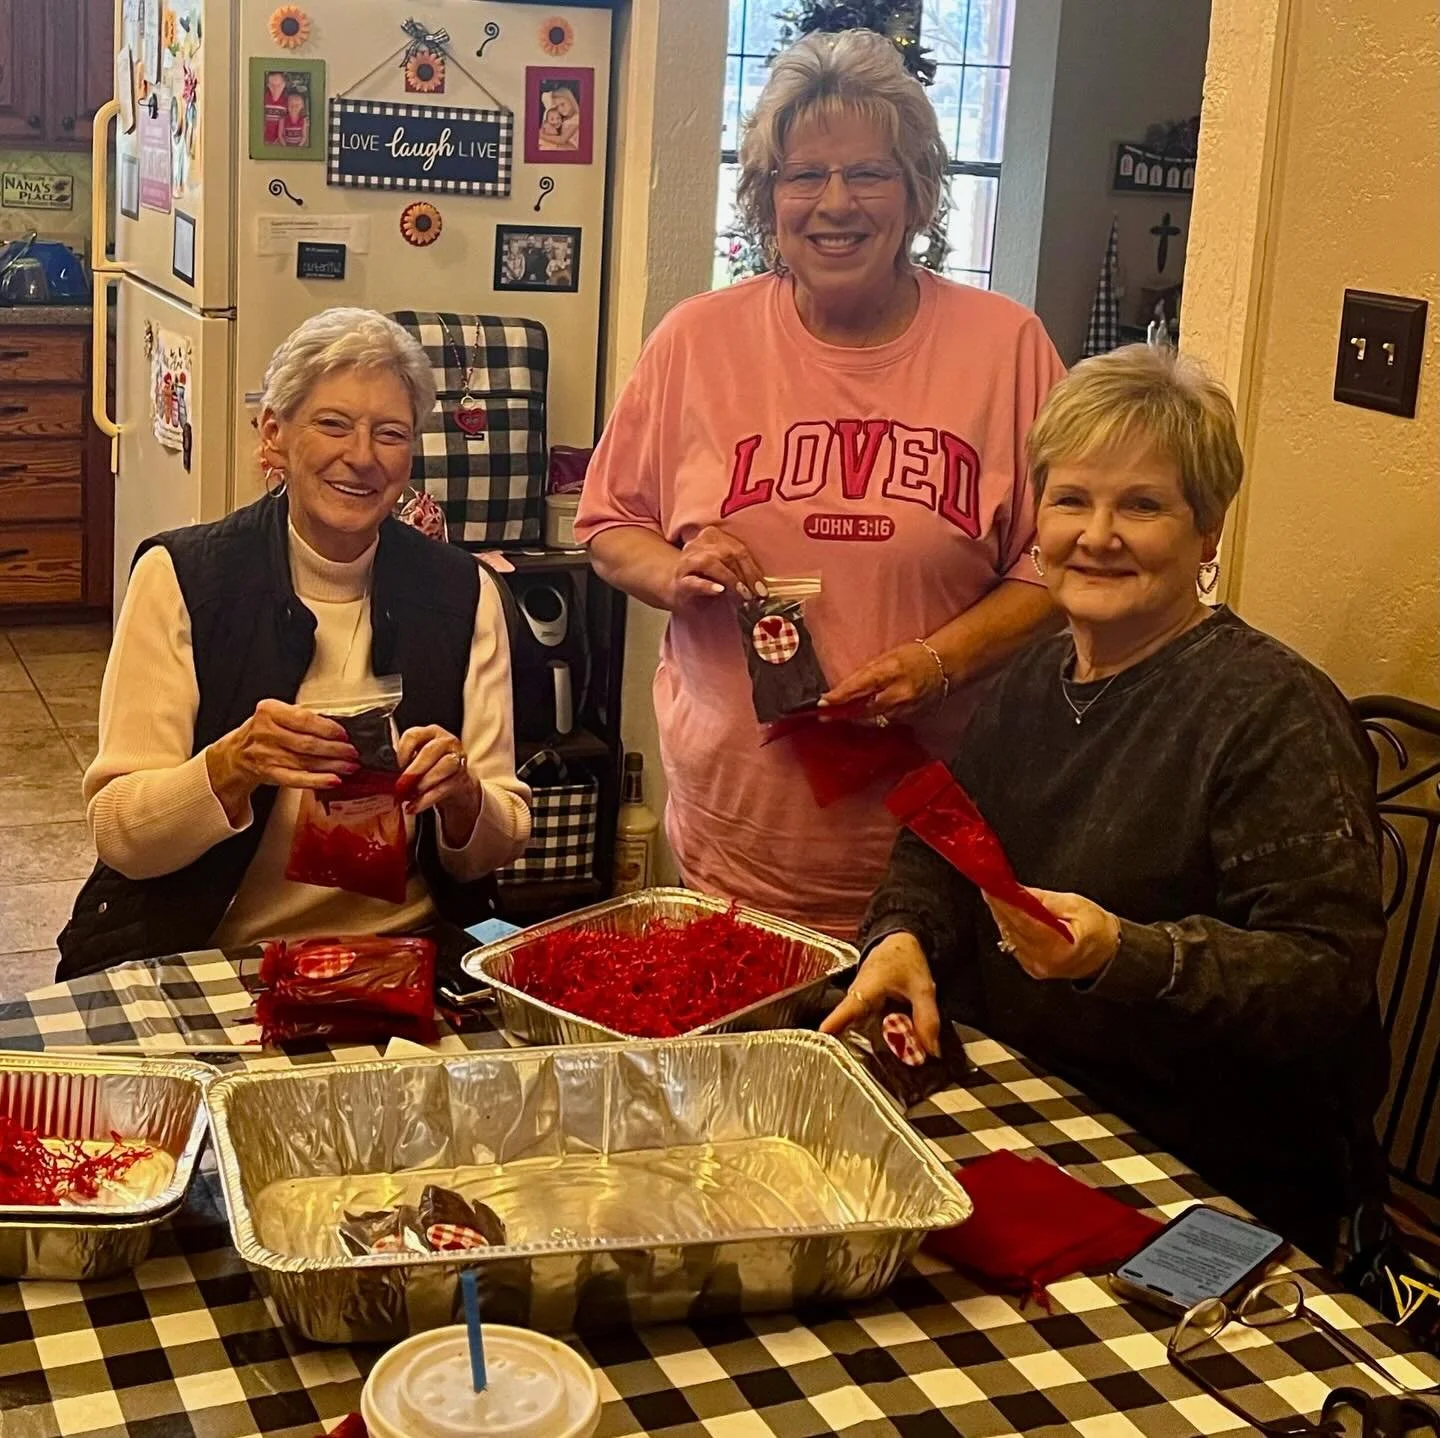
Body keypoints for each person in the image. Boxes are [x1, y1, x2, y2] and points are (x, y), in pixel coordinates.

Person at [822, 344, 1389, 1257]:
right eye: (1072, 500)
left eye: (1143, 505)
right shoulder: (1030, 682)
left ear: (1208, 534)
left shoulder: (1274, 713)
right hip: (1027, 1113)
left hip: (1211, 1179)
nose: (1097, 534)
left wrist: (1125, 954)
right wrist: (902, 939)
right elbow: (940, 844)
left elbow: (1322, 980)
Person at [576, 29, 1064, 938]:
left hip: (937, 834)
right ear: (767, 199)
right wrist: (674, 569)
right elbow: (609, 525)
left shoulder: (1008, 348)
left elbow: (1058, 562)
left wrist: (937, 663)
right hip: (736, 836)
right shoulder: (697, 340)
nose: (835, 204)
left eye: (870, 174)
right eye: (804, 176)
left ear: (918, 192)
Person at [58, 309, 531, 977]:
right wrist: (230, 767)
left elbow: (497, 842)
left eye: (390, 434)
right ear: (274, 433)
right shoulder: (185, 578)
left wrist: (462, 797)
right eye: (333, 424)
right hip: (220, 956)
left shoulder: (462, 593)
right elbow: (119, 832)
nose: (362, 456)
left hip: (403, 954)